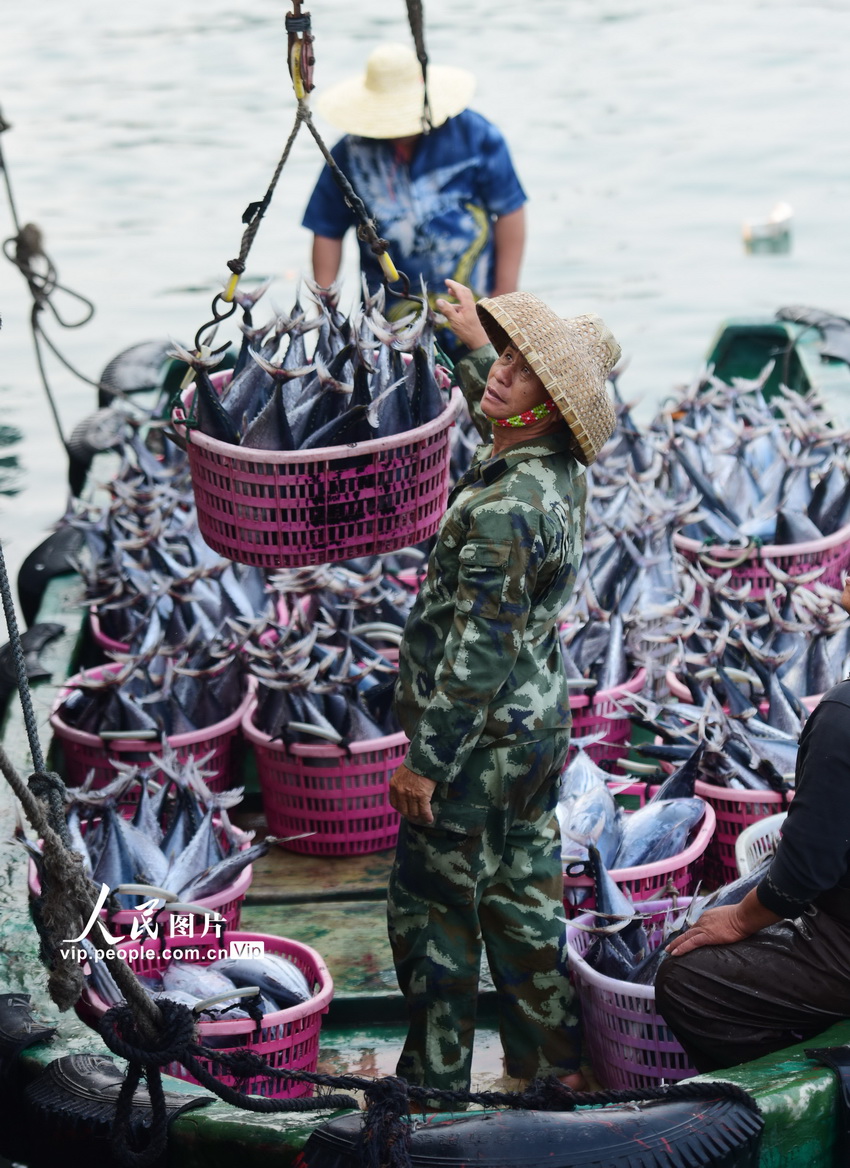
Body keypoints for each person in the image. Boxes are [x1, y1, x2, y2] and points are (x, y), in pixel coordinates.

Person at [386, 279, 620, 1103]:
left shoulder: (506, 510)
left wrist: (425, 762)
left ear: (548, 406)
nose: (502, 375)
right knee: (524, 895)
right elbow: (514, 403)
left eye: (521, 370)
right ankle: (550, 1060)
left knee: (436, 910)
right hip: (536, 731)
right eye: (506, 359)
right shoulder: (555, 471)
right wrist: (470, 346)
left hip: (477, 745)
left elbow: (476, 654)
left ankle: (434, 1085)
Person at [656, 571, 850, 1074]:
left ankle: (791, 1089)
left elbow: (804, 875)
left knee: (683, 978)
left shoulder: (842, 716)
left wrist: (742, 919)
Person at [301, 43, 527, 357]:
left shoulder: (476, 136)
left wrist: (504, 299)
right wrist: (326, 314)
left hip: (476, 312)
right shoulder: (349, 155)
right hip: (388, 322)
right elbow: (326, 231)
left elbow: (510, 211)